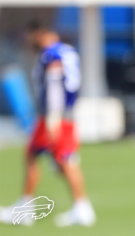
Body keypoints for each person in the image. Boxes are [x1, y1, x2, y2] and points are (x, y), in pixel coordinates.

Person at [0, 20, 95, 227]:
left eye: (31, 36)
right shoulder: (66, 50)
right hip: (63, 114)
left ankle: (31, 208)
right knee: (53, 159)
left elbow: (54, 86)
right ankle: (80, 207)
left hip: (55, 115)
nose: (29, 41)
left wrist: (53, 118)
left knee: (57, 160)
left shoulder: (52, 55)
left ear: (41, 33)